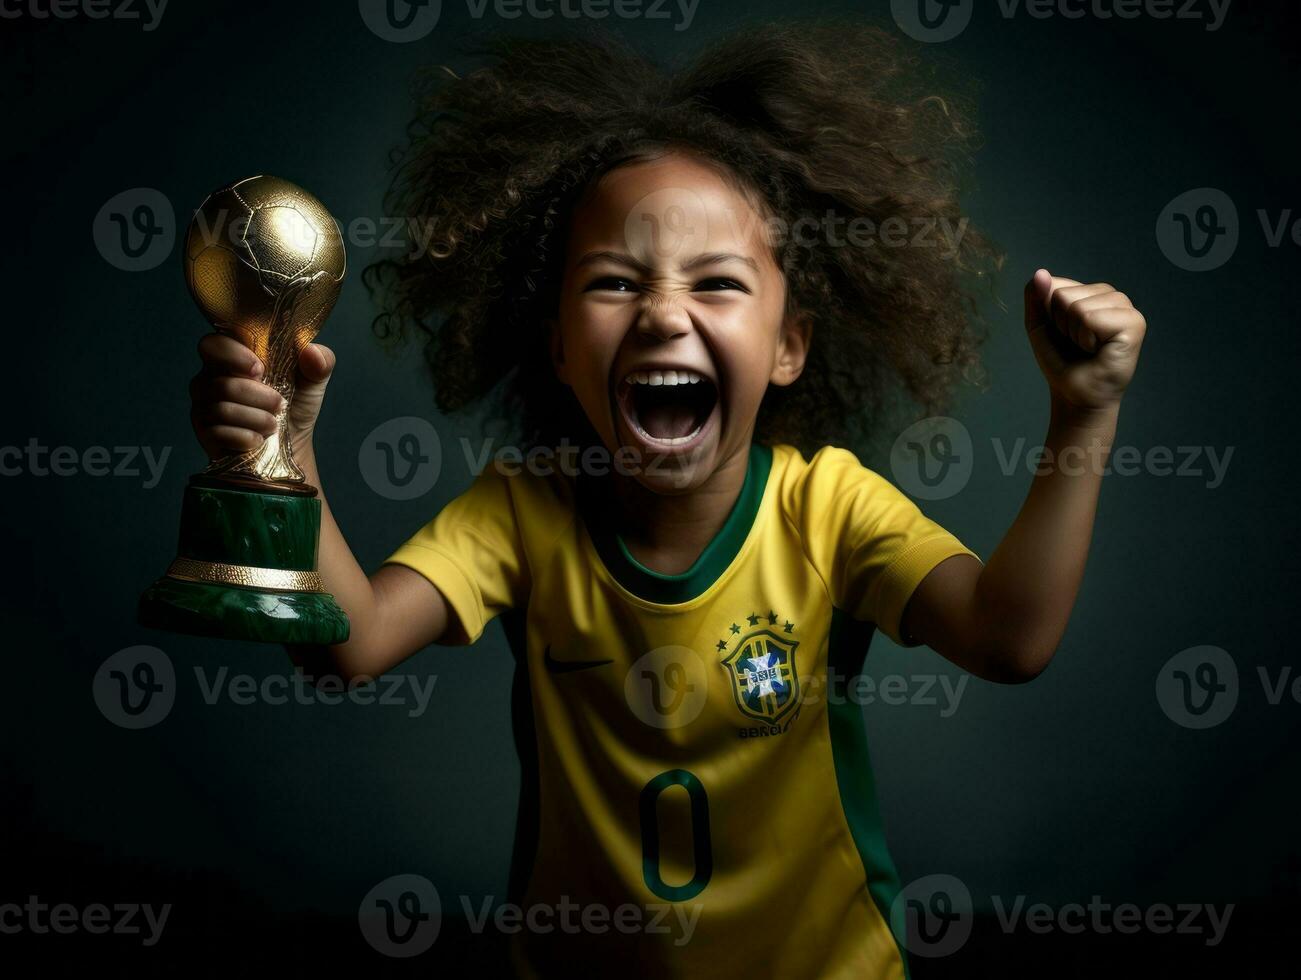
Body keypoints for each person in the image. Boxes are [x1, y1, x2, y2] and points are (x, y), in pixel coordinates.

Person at [188, 25, 1147, 978]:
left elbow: (1008, 639)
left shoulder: (831, 510)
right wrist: (283, 447)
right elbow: (345, 647)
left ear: (789, 346)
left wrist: (1081, 413)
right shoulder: (526, 512)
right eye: (612, 281)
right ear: (559, 346)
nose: (661, 312)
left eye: (719, 283)